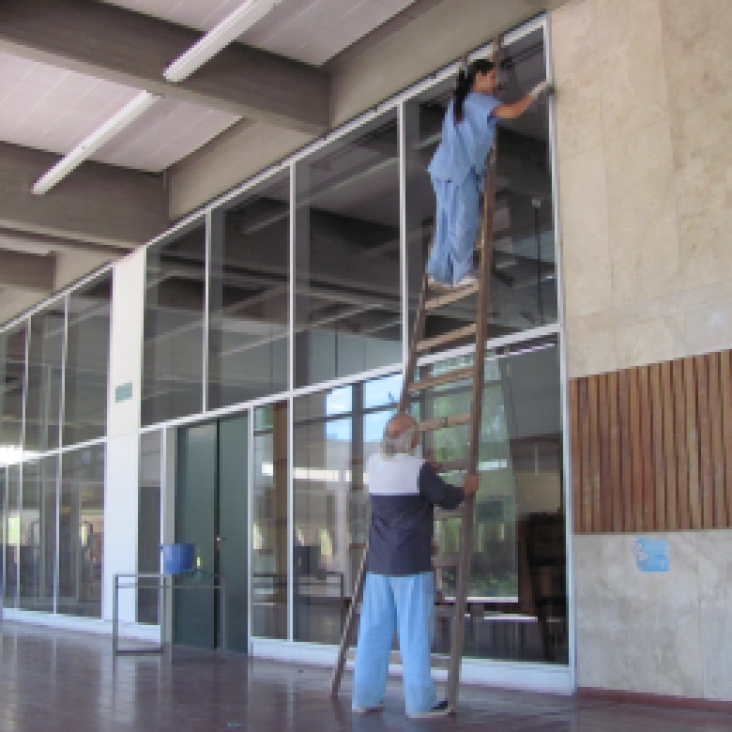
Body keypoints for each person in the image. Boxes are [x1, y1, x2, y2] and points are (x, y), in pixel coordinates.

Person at [352, 412, 480, 719]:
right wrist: (467, 487)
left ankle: (364, 698)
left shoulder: (374, 464)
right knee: (414, 634)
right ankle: (420, 704)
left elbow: (401, 467)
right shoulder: (417, 469)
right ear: (413, 439)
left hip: (379, 564)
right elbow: (446, 498)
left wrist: (426, 468)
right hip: (410, 564)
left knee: (373, 633)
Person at [427, 58, 550, 289]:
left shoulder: (460, 100)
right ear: (479, 76)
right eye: (492, 76)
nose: (495, 82)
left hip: (444, 169)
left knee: (447, 220)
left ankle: (439, 272)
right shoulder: (476, 100)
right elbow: (512, 111)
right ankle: (461, 273)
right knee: (464, 220)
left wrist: (463, 70)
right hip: (458, 169)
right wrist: (535, 93)